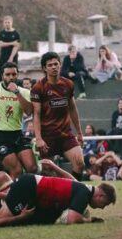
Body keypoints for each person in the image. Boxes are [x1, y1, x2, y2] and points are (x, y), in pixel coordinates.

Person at [31, 52, 85, 181]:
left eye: (56, 64)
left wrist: (79, 132)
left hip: (65, 134)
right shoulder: (38, 87)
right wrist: (38, 138)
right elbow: (36, 114)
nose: (54, 67)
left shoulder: (68, 84)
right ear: (44, 68)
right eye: (50, 65)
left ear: (60, 65)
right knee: (47, 172)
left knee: (80, 163)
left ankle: (72, 192)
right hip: (47, 136)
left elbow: (72, 108)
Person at [0, 173, 116, 226]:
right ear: (101, 196)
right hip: (30, 188)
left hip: (31, 187)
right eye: (104, 204)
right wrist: (89, 220)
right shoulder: (84, 194)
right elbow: (72, 218)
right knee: (0, 218)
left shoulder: (84, 190)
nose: (102, 208)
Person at [0, 62, 37, 178]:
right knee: (17, 170)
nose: (11, 77)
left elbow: (29, 111)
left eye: (14, 74)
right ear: (2, 76)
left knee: (32, 168)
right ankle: (14, 195)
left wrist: (17, 93)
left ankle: (29, 194)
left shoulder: (24, 92)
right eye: (8, 74)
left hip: (17, 134)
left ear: (17, 75)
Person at [0, 16, 21, 83]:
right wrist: (12, 43)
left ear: (11, 23)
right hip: (3, 56)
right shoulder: (2, 33)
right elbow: (0, 44)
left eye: (8, 22)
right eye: (5, 22)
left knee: (12, 73)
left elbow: (16, 46)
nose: (7, 24)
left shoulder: (16, 34)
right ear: (3, 23)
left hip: (12, 57)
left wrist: (11, 58)